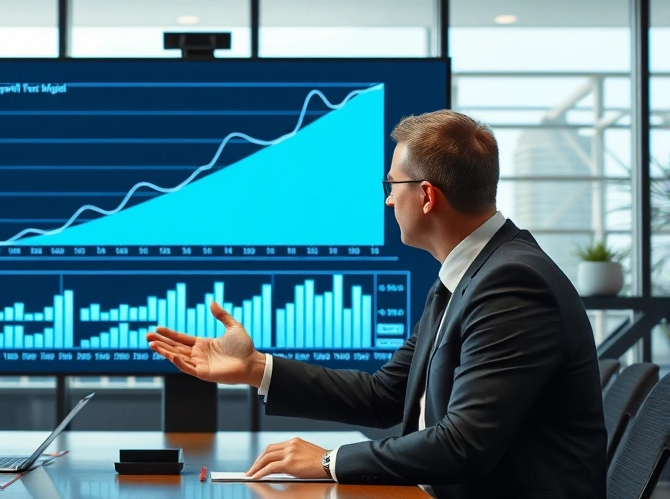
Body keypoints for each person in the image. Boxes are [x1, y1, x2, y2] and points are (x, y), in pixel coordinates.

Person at [148, 110, 606, 499]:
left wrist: (330, 461)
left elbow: (463, 445)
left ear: (426, 196)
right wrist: (255, 368)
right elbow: (386, 395)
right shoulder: (470, 274)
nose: (388, 199)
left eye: (392, 185)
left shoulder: (511, 283)